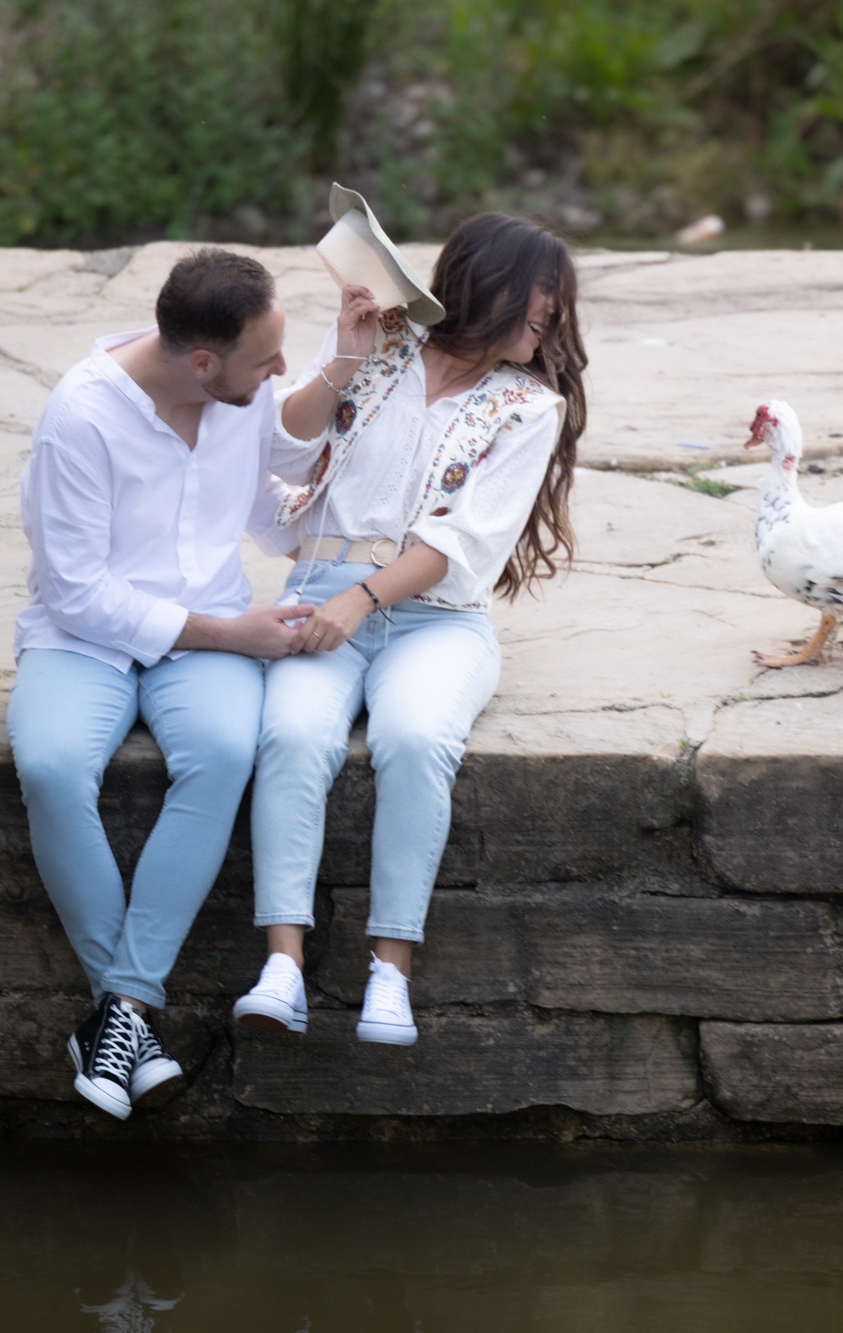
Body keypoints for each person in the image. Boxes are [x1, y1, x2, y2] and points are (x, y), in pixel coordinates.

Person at [231, 206, 588, 1045]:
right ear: (487, 284)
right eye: (541, 296)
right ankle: (281, 963)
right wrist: (344, 358)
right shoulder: (380, 343)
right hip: (321, 588)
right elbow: (284, 447)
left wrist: (358, 603)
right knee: (290, 734)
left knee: (419, 739)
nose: (551, 315)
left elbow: (458, 543)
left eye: (556, 304)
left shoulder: (529, 407)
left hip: (436, 622)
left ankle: (390, 971)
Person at [8, 248, 312, 1120]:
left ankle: (119, 1013)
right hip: (85, 640)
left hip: (207, 635)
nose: (280, 372)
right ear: (202, 361)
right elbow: (74, 589)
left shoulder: (235, 397)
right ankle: (131, 1011)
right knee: (52, 766)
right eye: (267, 358)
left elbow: (262, 511)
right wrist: (234, 634)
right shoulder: (80, 417)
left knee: (222, 751)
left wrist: (346, 531)